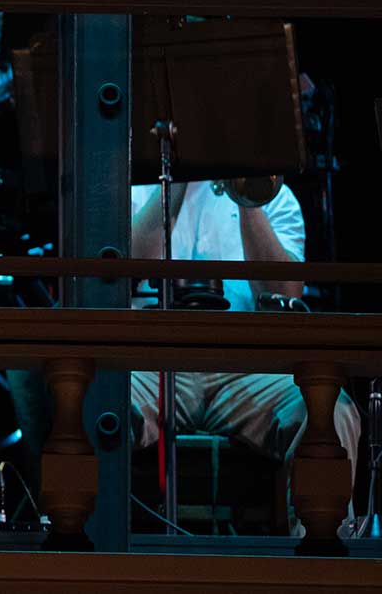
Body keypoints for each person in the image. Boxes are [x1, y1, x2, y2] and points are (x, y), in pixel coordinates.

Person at [128, 177, 362, 529]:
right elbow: (122, 275)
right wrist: (173, 183)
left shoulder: (276, 198)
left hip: (245, 370)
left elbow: (286, 293)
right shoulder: (135, 191)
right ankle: (87, 550)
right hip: (154, 364)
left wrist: (247, 197)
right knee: (95, 401)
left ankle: (321, 551)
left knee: (329, 410)